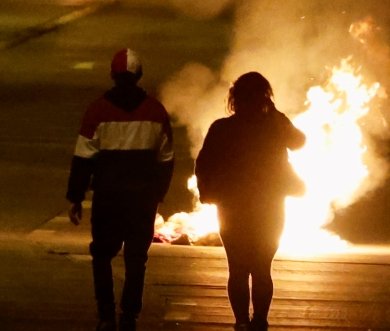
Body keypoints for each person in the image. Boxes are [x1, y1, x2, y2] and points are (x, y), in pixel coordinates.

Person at [67, 49, 175, 331]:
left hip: (108, 198)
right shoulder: (155, 111)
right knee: (136, 259)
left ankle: (106, 315)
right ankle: (129, 316)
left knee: (102, 255)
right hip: (142, 199)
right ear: (139, 75)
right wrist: (158, 193)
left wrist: (76, 196)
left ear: (112, 75)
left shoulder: (97, 111)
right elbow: (166, 159)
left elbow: (83, 157)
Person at [194, 73, 306, 331]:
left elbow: (203, 164)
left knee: (237, 268)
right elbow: (299, 142)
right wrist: (275, 113)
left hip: (231, 207)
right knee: (262, 268)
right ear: (265, 98)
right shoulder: (274, 126)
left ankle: (241, 322)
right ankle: (260, 322)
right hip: (270, 206)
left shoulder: (221, 128)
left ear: (234, 99)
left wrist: (206, 192)